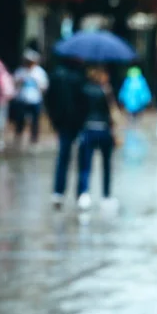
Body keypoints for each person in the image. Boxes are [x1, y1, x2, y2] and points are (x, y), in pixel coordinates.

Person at [76, 66, 119, 211]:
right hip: (104, 130)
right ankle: (106, 195)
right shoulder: (105, 91)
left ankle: (84, 193)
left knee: (85, 164)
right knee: (106, 165)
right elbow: (112, 113)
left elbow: (80, 111)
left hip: (88, 129)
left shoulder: (84, 90)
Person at [45, 59, 85, 209]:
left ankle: (58, 192)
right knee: (81, 160)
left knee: (63, 157)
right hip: (77, 124)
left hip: (63, 124)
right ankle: (80, 193)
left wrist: (55, 121)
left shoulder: (56, 76)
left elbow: (49, 100)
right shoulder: (80, 77)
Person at [12, 49, 49, 149]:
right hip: (22, 99)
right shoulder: (20, 71)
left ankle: (34, 138)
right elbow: (14, 83)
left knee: (35, 120)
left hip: (35, 99)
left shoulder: (40, 72)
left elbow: (44, 86)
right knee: (20, 119)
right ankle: (18, 135)